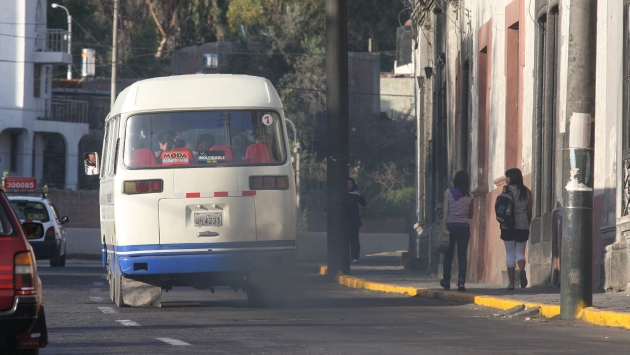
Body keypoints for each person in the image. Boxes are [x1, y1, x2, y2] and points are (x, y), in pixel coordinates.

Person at [440, 171, 475, 292]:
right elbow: (470, 215)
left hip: (450, 227)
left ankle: (446, 281)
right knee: (462, 255)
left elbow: (443, 209)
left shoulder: (448, 193)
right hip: (464, 228)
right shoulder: (470, 196)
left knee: (448, 255)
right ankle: (461, 282)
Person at [500, 168, 533, 290]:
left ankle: (512, 283)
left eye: (507, 177)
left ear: (511, 178)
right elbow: (529, 211)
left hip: (507, 225)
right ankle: (522, 271)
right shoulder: (527, 192)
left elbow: (501, 207)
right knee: (520, 253)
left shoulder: (506, 190)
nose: (506, 179)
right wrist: (527, 223)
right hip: (522, 224)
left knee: (510, 254)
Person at [347, 177, 367, 263]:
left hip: (353, 220)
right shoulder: (340, 193)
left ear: (353, 184)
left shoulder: (357, 194)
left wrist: (362, 214)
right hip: (342, 220)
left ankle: (355, 257)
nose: (348, 185)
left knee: (354, 238)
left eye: (350, 183)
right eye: (347, 183)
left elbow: (364, 204)